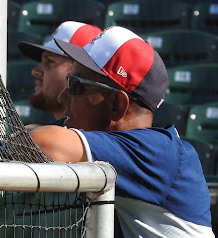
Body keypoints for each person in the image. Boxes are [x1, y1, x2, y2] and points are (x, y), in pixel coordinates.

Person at [30, 26, 215, 237]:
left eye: (75, 85)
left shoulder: (157, 151)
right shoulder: (125, 143)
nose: (63, 97)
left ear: (117, 105)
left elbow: (42, 142)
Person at [18, 21, 101, 127]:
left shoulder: (90, 137)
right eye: (41, 62)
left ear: (79, 73)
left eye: (49, 61)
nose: (35, 71)